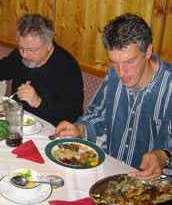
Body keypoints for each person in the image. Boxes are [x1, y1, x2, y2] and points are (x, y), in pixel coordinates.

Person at [55, 13, 172, 180]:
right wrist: (79, 129)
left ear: (148, 51)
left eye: (129, 61)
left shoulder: (169, 85)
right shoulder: (114, 74)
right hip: (110, 172)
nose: (121, 72)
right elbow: (98, 116)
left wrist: (163, 156)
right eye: (114, 62)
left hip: (153, 184)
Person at [0, 14, 84, 126]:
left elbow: (73, 114)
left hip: (50, 129)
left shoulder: (66, 66)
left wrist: (39, 102)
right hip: (17, 122)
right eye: (21, 48)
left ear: (48, 44)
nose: (24, 55)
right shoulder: (21, 55)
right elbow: (0, 68)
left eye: (30, 50)